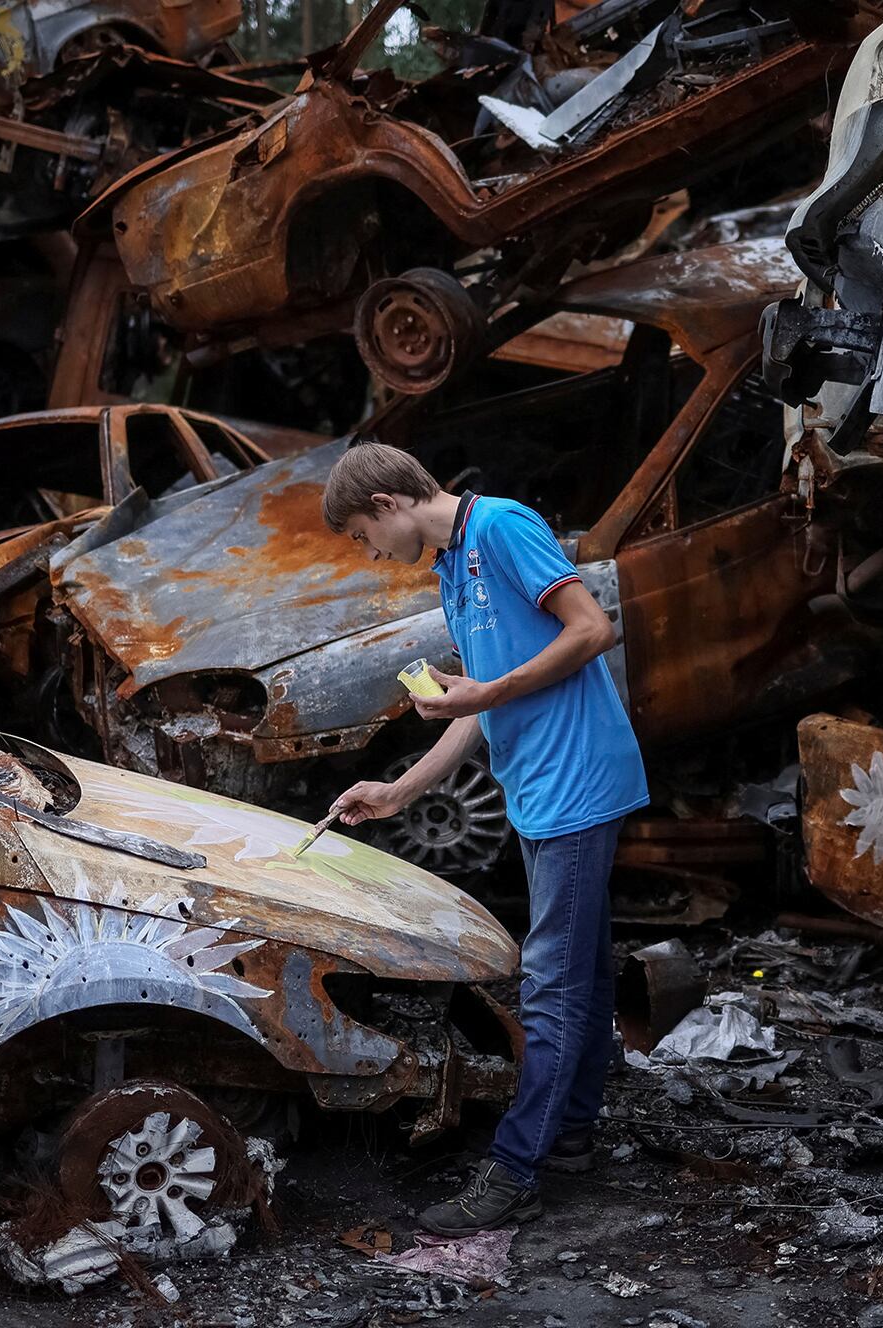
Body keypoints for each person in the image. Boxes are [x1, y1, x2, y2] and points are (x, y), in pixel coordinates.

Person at [321, 441, 649, 1235]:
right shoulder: (449, 565)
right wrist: (396, 791)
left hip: (575, 781)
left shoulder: (500, 526)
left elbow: (592, 627)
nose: (372, 554)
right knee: (580, 973)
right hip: (540, 789)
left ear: (390, 505)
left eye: (366, 538)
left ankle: (516, 1170)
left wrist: (490, 688)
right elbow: (476, 709)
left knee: (550, 986)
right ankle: (566, 1136)